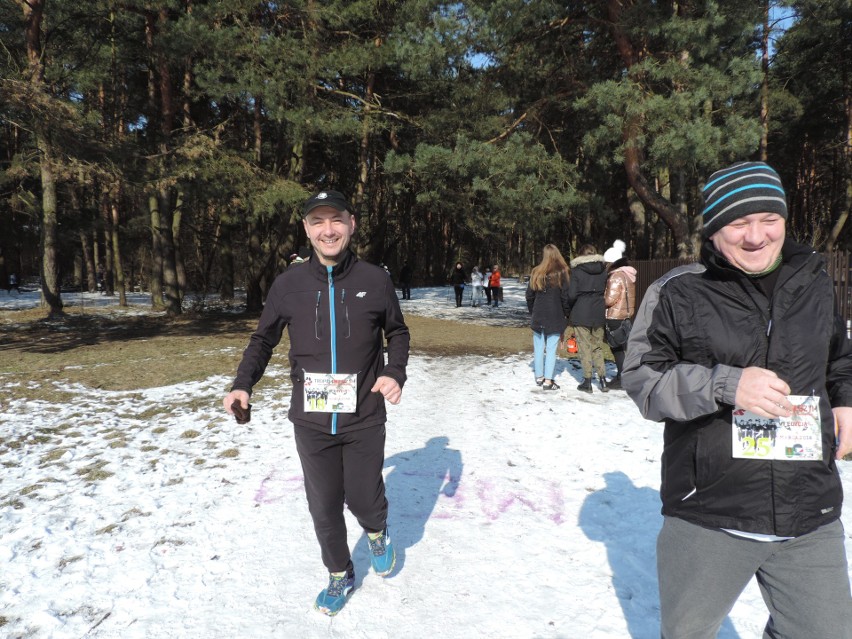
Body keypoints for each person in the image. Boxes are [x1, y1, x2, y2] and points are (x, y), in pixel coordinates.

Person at [622, 161, 852, 638]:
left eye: (768, 219)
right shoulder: (678, 291)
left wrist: (846, 401)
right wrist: (725, 384)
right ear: (713, 229)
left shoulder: (814, 282)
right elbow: (644, 380)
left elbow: (839, 362)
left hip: (808, 513)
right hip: (710, 512)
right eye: (738, 223)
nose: (756, 236)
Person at [223, 189, 410, 617]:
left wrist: (393, 372)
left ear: (352, 223)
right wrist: (242, 384)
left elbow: (397, 333)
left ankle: (377, 530)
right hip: (310, 420)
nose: (329, 230)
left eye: (337, 220)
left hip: (363, 413)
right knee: (323, 505)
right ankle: (339, 573)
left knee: (363, 498)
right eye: (318, 222)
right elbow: (263, 339)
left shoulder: (374, 279)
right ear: (306, 229)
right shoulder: (288, 284)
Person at [525, 245, 571, 390]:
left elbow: (529, 296)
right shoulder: (562, 273)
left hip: (539, 315)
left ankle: (539, 377)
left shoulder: (536, 272)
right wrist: (567, 315)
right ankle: (548, 380)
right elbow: (565, 298)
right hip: (555, 316)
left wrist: (533, 312)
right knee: (551, 349)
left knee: (538, 348)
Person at [567, 244, 609, 393]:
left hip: (581, 311)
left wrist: (570, 307)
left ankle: (587, 381)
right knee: (597, 346)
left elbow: (571, 295)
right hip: (598, 311)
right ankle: (603, 380)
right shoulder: (604, 270)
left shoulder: (577, 271)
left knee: (584, 347)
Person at [602, 240, 636, 390]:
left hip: (615, 316)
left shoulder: (615, 276)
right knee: (622, 348)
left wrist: (600, 297)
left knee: (616, 349)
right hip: (626, 315)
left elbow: (609, 299)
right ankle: (624, 376)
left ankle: (621, 378)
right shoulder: (628, 275)